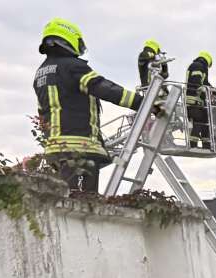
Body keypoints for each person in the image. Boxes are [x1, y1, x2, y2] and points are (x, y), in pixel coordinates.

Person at [33, 18, 143, 193]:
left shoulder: (40, 74)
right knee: (85, 202)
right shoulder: (73, 66)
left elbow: (41, 114)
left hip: (55, 150)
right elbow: (104, 88)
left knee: (63, 197)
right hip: (80, 148)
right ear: (68, 39)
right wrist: (142, 103)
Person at [185, 51, 213, 149]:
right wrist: (204, 91)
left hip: (197, 101)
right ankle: (193, 144)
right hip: (193, 100)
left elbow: (204, 82)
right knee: (199, 121)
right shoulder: (198, 66)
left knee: (205, 120)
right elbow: (196, 81)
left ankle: (207, 145)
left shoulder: (200, 67)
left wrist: (213, 90)